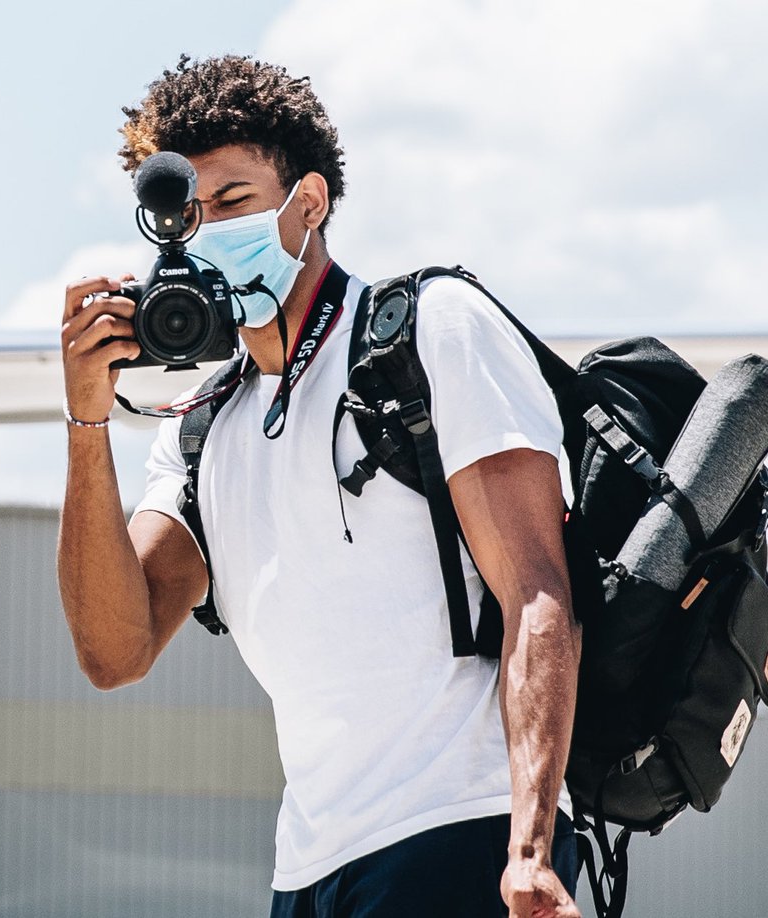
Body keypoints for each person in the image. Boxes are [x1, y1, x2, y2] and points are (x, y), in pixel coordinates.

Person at [58, 54, 582, 918]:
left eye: (232, 204)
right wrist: (86, 424)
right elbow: (115, 654)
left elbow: (537, 592)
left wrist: (528, 850)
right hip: (308, 868)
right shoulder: (201, 426)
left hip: (461, 832)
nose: (208, 236)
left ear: (308, 204)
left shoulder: (429, 329)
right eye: (187, 220)